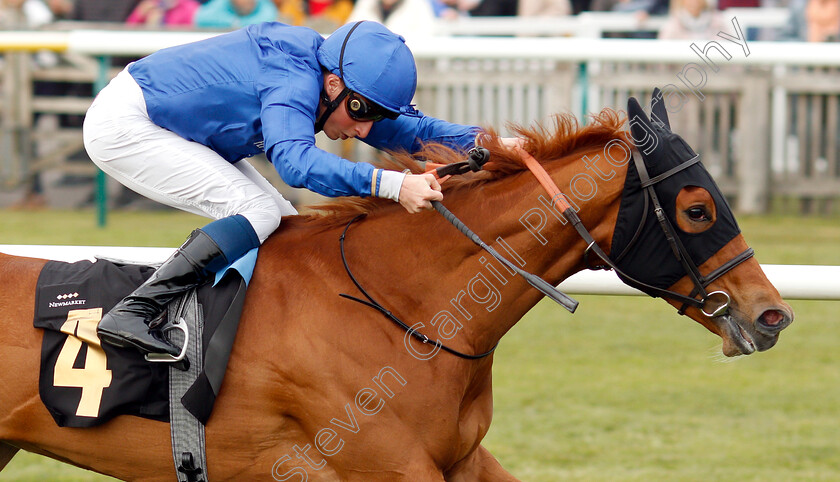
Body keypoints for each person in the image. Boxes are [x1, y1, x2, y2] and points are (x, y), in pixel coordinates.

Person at [84, 20, 516, 357]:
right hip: (129, 125)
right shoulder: (292, 73)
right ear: (332, 85)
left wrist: (491, 145)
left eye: (376, 116)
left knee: (289, 231)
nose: (363, 129)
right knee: (260, 212)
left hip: (178, 128)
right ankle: (134, 312)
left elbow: (414, 131)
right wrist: (392, 184)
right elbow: (293, 163)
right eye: (361, 111)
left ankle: (262, 345)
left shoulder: (332, 75)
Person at [193, 0, 278, 28]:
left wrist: (238, 23)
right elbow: (201, 18)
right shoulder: (221, 3)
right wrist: (234, 21)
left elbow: (269, 21)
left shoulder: (264, 5)